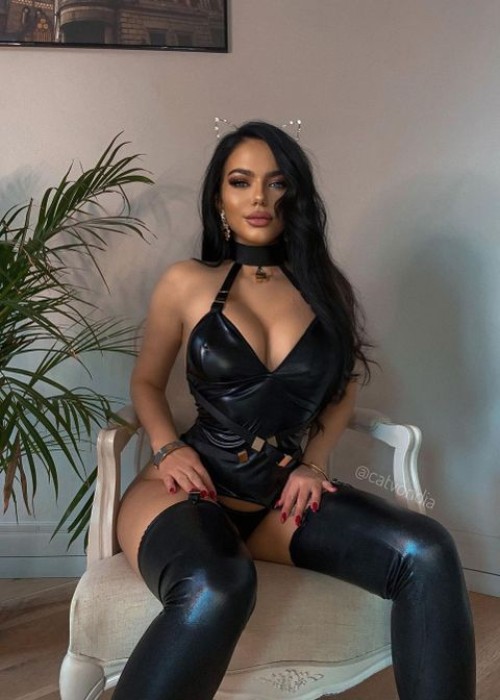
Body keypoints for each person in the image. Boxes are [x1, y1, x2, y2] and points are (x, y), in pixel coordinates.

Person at [113, 121, 475, 700]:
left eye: (276, 182)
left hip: (279, 500)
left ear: (295, 195)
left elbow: (343, 389)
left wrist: (314, 462)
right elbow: (147, 381)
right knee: (218, 586)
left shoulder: (324, 288)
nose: (259, 197)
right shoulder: (187, 281)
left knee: (427, 551)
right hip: (184, 487)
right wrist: (168, 446)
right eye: (241, 181)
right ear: (219, 197)